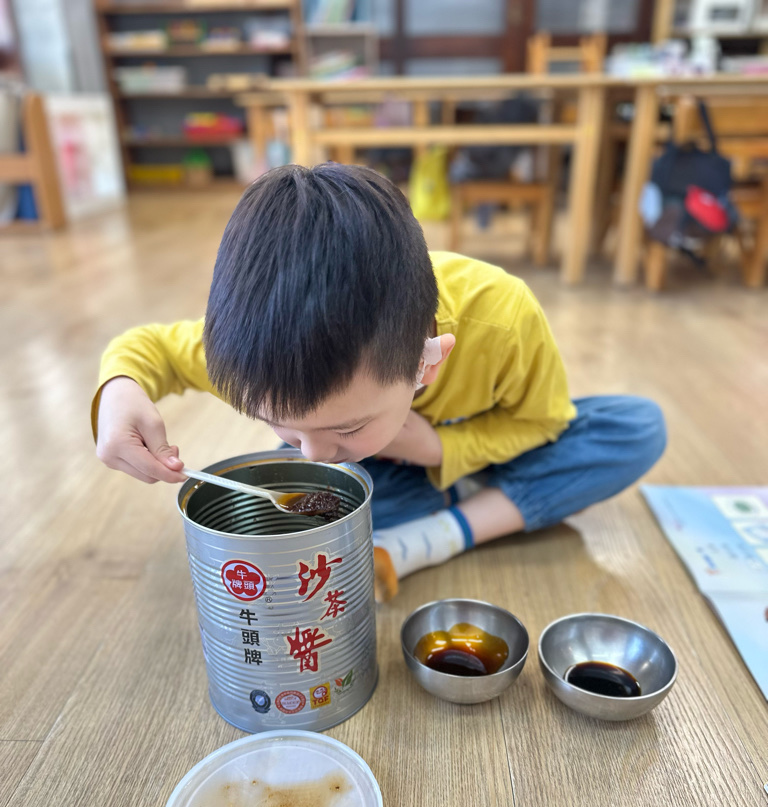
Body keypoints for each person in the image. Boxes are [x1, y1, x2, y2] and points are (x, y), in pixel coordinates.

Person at [93, 163, 666, 601]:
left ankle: (435, 532)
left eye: (346, 426)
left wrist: (438, 448)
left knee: (636, 428)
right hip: (392, 471)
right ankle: (483, 494)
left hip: (484, 445)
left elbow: (542, 422)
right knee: (296, 511)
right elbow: (147, 349)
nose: (312, 453)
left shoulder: (502, 315)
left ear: (427, 363)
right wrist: (119, 390)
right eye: (281, 424)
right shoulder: (252, 345)